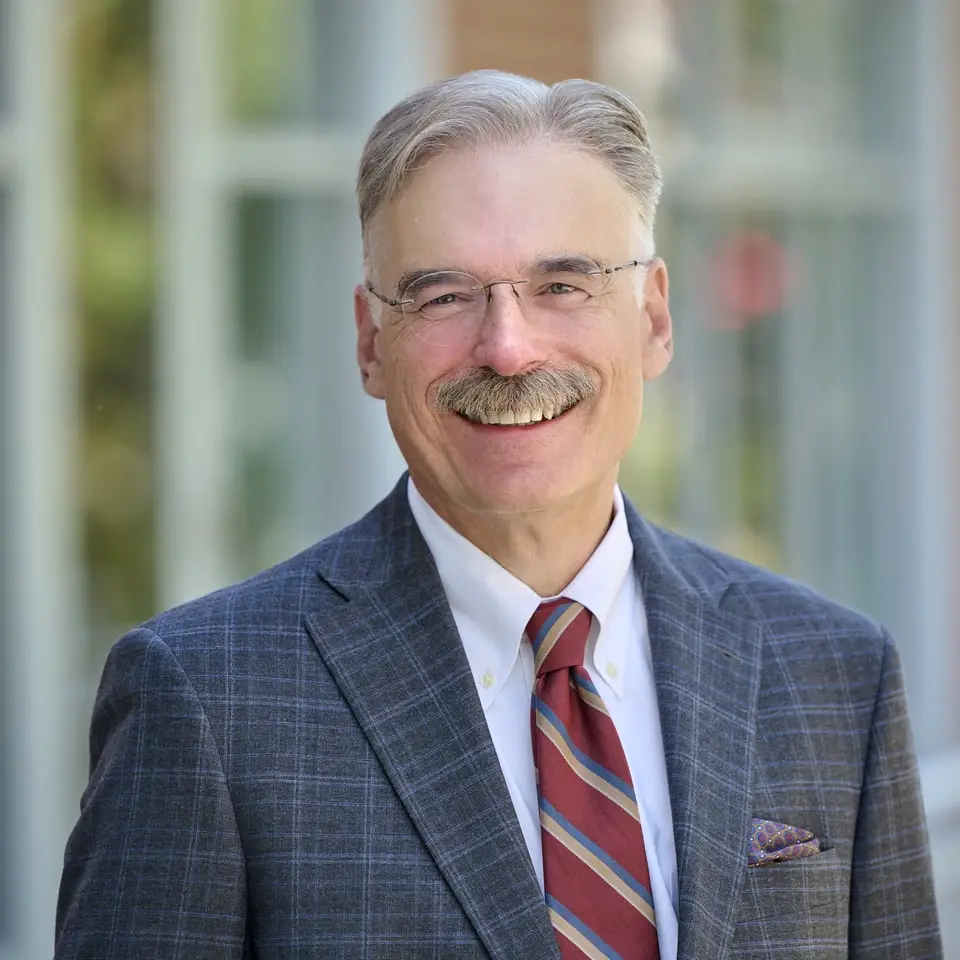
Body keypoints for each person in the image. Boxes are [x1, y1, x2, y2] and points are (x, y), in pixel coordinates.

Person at [55, 70, 941, 960]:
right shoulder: (207, 696)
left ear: (656, 319)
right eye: (444, 295)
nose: (508, 348)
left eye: (563, 283)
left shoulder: (836, 675)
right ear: (370, 341)